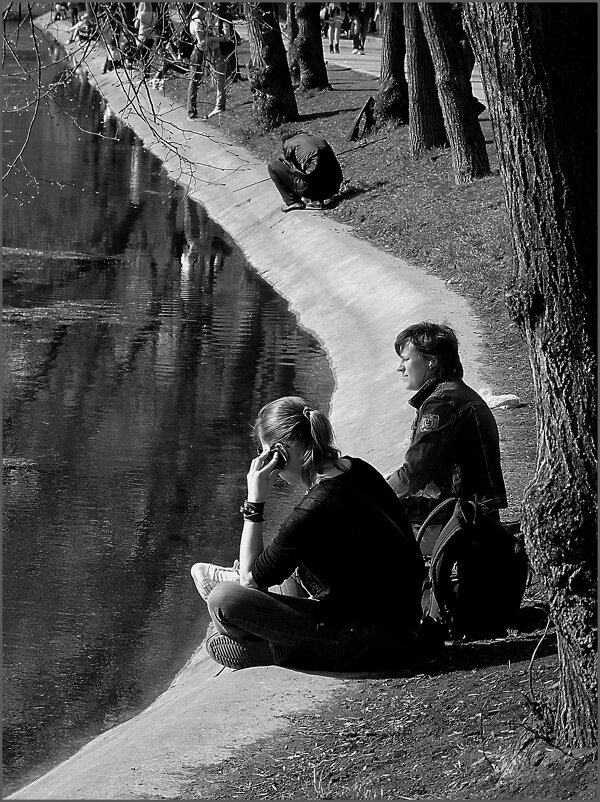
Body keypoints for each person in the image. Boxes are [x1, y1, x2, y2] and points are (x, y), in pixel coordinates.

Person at [191, 396, 425, 671]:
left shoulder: (315, 508)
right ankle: (275, 641)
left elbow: (249, 580)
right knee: (288, 574)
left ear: (279, 453)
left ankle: (273, 649)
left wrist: (254, 501)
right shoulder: (359, 468)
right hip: (405, 623)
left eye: (264, 453)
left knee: (222, 602)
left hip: (363, 639)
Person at [386, 322, 508, 525]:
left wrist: (372, 492)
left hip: (463, 515)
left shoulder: (441, 403)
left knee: (362, 511)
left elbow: (413, 476)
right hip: (476, 509)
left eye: (406, 359)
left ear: (431, 361)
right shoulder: (456, 393)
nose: (400, 368)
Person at [267, 130, 344, 213]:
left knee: (273, 165)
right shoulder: (317, 138)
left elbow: (296, 169)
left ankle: (293, 201)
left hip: (316, 191)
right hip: (334, 188)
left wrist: (285, 161)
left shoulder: (289, 143)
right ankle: (318, 201)